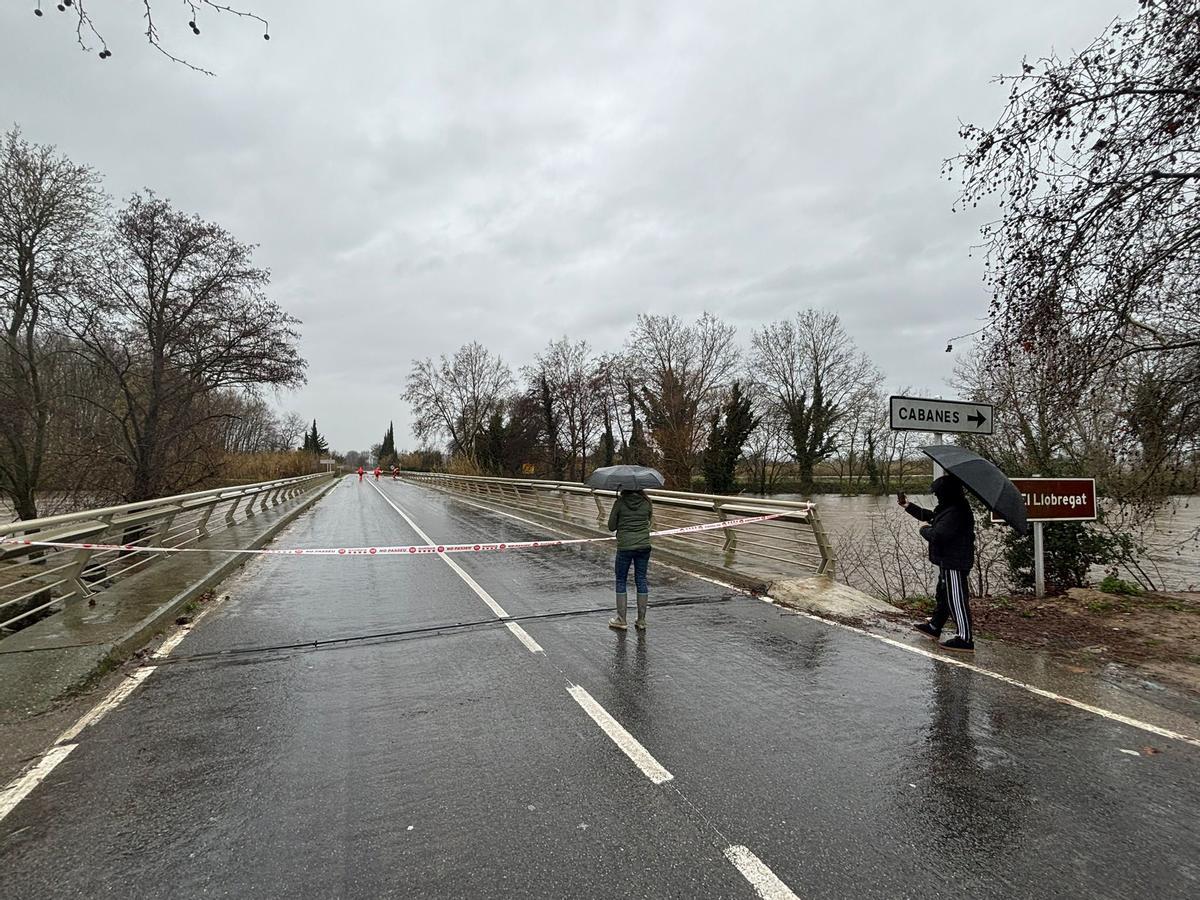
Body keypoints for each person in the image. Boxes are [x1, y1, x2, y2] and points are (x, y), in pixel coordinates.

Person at [899, 474, 976, 651]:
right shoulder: (949, 508)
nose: (936, 496)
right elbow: (932, 517)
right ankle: (934, 626)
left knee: (956, 599)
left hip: (954, 562)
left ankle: (965, 638)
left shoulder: (957, 511)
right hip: (947, 560)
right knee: (943, 595)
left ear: (946, 493)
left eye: (938, 493)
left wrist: (924, 530)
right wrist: (908, 506)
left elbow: (938, 534)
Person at [607, 488, 653, 631]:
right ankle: (641, 620)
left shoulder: (620, 503)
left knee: (621, 580)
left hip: (625, 546)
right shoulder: (647, 502)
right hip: (644, 545)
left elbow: (611, 526)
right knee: (641, 579)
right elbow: (649, 521)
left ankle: (621, 619)